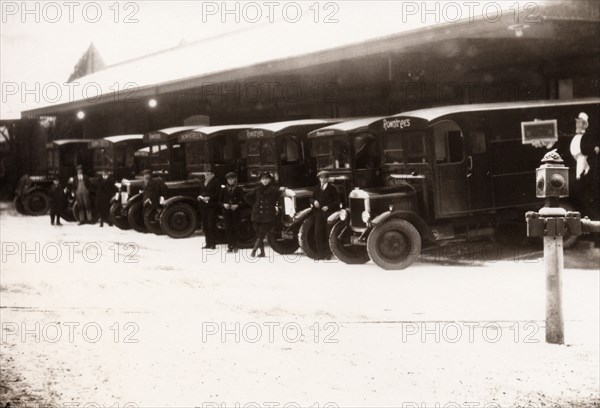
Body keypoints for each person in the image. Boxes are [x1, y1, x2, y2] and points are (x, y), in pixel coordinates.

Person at [245, 172, 280, 258]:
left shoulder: (274, 190)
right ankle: (262, 252)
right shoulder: (257, 189)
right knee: (258, 233)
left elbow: (280, 198)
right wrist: (254, 205)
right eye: (263, 179)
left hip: (268, 216)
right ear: (261, 180)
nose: (265, 181)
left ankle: (254, 251)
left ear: (270, 180)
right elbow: (247, 197)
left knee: (261, 234)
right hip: (257, 215)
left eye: (266, 179)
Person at [311, 170, 340, 260]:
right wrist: (314, 201)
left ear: (327, 179)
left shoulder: (332, 189)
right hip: (319, 213)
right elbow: (311, 198)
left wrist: (328, 207)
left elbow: (337, 202)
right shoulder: (316, 188)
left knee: (328, 233)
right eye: (321, 178)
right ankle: (320, 253)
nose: (323, 180)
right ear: (319, 179)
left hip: (329, 214)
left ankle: (328, 254)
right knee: (318, 233)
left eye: (324, 178)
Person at [219, 172, 245, 253]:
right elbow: (219, 201)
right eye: (229, 179)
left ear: (235, 179)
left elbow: (243, 201)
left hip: (235, 212)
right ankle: (230, 246)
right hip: (227, 212)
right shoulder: (223, 190)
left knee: (235, 228)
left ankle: (236, 245)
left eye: (232, 179)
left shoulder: (239, 189)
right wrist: (224, 204)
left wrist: (237, 205)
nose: (230, 181)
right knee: (228, 229)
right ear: (227, 180)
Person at [198, 165, 221, 249]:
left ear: (212, 174)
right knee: (205, 225)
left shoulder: (216, 181)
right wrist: (200, 196)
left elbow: (218, 194)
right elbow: (201, 191)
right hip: (203, 206)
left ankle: (213, 243)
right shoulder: (203, 181)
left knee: (211, 225)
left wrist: (210, 197)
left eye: (208, 172)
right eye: (205, 172)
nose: (206, 174)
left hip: (212, 206)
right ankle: (208, 243)